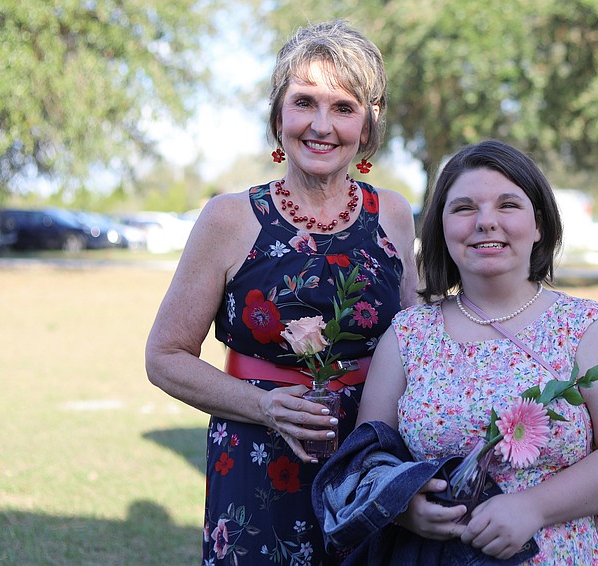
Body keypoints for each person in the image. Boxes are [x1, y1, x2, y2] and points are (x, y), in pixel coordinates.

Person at [145, 20, 418, 565]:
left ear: (368, 126)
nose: (322, 125)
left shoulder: (393, 213)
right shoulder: (228, 218)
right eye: (304, 103)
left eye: (344, 107)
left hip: (369, 465)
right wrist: (266, 406)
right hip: (255, 466)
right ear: (277, 117)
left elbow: (415, 344)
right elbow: (165, 357)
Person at [353, 140, 598, 563]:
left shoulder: (584, 327)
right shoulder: (408, 336)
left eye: (508, 205)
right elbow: (367, 455)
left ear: (539, 226)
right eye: (463, 208)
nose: (485, 222)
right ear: (440, 226)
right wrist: (403, 507)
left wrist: (534, 507)